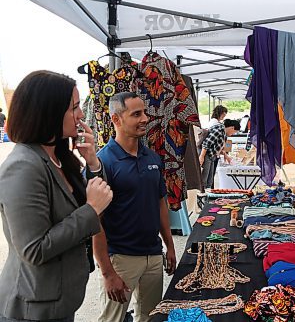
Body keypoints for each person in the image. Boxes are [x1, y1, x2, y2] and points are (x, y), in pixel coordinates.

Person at [0, 70, 113, 321]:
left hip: (58, 302)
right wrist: (90, 211)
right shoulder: (23, 167)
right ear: (48, 112)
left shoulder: (58, 157)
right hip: (31, 308)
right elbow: (34, 249)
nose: (81, 114)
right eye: (74, 107)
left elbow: (100, 198)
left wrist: (93, 163)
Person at [94, 92, 177, 322]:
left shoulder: (152, 158)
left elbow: (159, 202)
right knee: (112, 319)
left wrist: (169, 246)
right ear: (116, 120)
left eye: (144, 112)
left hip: (152, 254)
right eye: (136, 114)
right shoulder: (103, 163)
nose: (145, 119)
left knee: (150, 317)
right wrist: (107, 272)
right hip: (121, 258)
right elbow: (94, 222)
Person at [199, 119, 241, 189]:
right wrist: (202, 156)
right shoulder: (219, 130)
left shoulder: (223, 132)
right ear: (232, 128)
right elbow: (206, 143)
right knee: (204, 180)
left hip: (211, 156)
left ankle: (207, 196)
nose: (232, 134)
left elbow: (218, 146)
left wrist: (226, 156)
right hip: (206, 154)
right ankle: (201, 197)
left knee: (210, 180)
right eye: (234, 132)